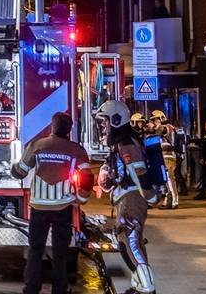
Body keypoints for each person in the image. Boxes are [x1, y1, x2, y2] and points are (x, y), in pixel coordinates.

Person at [12, 112, 93, 294]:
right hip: (63, 208)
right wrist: (81, 200)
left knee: (35, 251)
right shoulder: (76, 150)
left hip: (39, 208)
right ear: (69, 130)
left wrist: (13, 171)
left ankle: (31, 289)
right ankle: (59, 289)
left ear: (52, 127)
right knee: (60, 253)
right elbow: (87, 178)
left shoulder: (38, 145)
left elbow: (21, 171)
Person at [95, 100, 156, 294]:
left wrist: (149, 196)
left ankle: (147, 288)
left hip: (132, 196)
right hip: (125, 195)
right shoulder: (120, 142)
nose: (103, 126)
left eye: (105, 121)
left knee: (131, 241)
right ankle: (139, 283)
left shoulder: (126, 143)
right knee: (127, 241)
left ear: (116, 119)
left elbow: (138, 172)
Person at [149, 110, 181, 209]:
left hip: (169, 158)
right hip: (164, 157)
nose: (154, 122)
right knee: (166, 181)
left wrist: (154, 126)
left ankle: (174, 202)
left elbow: (162, 130)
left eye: (155, 120)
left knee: (170, 179)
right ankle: (168, 200)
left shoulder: (168, 127)